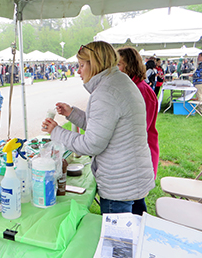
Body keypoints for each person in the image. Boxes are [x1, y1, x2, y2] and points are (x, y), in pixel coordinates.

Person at [41, 41, 155, 215]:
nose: (78, 71)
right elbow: (103, 126)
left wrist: (56, 131)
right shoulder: (120, 81)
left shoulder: (106, 92)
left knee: (118, 240)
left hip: (119, 184)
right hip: (132, 177)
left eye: (81, 65)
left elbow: (92, 144)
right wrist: (72, 113)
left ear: (94, 64)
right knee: (135, 233)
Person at [117, 47, 159, 181]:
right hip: (129, 158)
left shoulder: (142, 91)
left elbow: (139, 129)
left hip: (139, 160)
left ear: (130, 66)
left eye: (118, 65)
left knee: (135, 201)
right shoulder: (128, 86)